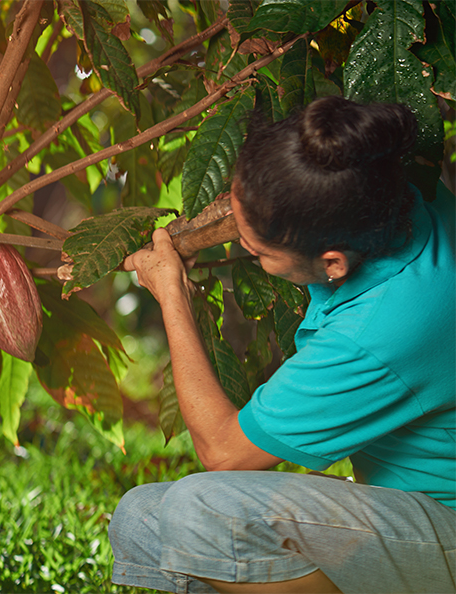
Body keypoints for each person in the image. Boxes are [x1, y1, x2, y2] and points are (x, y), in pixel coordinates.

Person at [110, 95, 456, 593]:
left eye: (260, 253)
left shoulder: (377, 332)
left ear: (332, 262)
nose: (248, 255)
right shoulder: (387, 194)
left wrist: (172, 296)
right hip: (409, 516)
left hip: (443, 527)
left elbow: (223, 452)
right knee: (142, 518)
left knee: (201, 511)